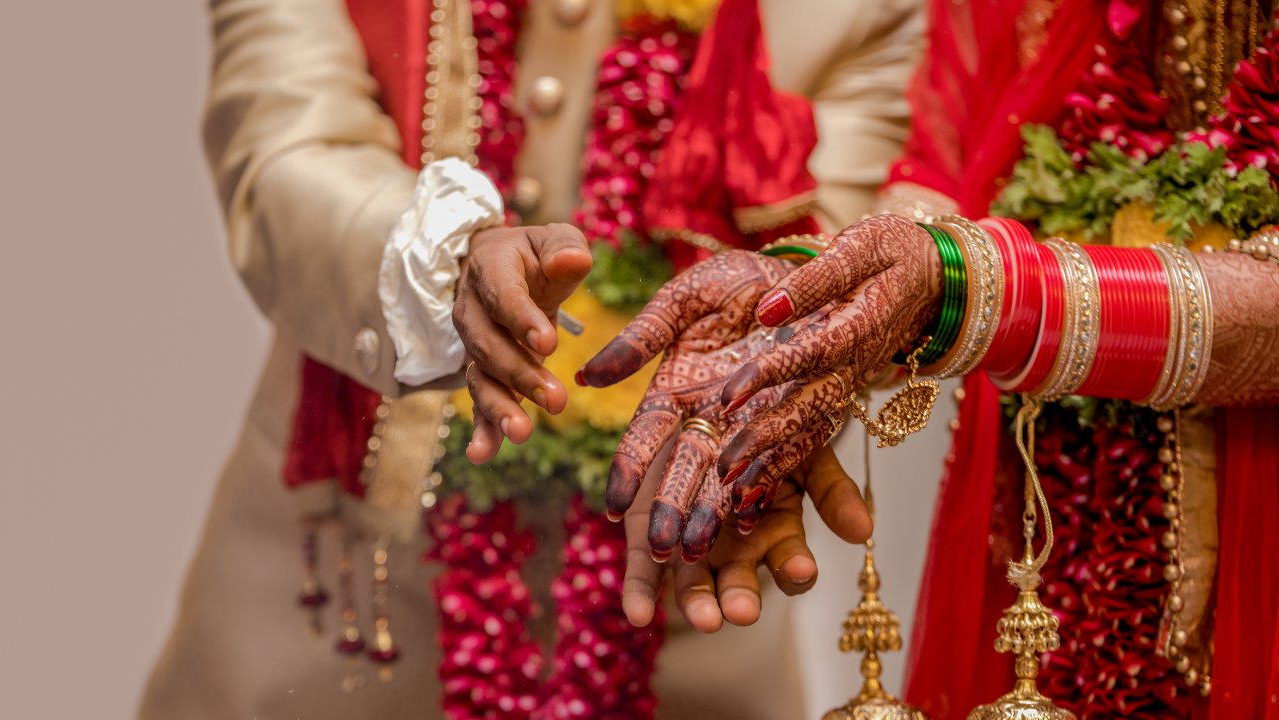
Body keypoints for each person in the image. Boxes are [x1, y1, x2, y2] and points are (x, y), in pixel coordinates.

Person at [139, 0, 924, 718]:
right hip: (350, 582)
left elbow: (845, 235)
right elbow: (284, 148)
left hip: (694, 567)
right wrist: (445, 263)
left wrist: (773, 349)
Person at [592, 1, 1279, 719]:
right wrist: (805, 302)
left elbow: (950, 268)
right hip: (1070, 527)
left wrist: (965, 288)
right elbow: (940, 185)